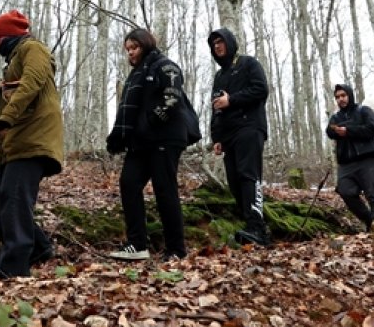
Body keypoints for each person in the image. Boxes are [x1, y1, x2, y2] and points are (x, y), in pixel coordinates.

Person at [0, 10, 65, 279]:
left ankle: (15, 265)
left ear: (5, 36)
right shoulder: (15, 57)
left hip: (34, 138)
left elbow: (31, 84)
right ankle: (39, 247)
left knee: (14, 197)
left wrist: (7, 117)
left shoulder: (33, 49)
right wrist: (1, 142)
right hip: (16, 141)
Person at [105, 28, 199, 261]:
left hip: (166, 137)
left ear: (146, 45)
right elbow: (130, 109)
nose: (131, 54)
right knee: (129, 183)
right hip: (141, 140)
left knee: (164, 189)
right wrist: (120, 136)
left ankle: (176, 249)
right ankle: (137, 244)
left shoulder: (164, 66)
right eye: (127, 50)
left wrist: (150, 121)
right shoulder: (136, 75)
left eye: (134, 48)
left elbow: (172, 98)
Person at [207, 28, 271, 246]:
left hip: (250, 127)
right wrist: (216, 137)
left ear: (230, 42)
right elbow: (216, 107)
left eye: (220, 41)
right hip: (229, 134)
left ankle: (258, 228)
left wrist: (232, 100)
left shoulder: (248, 64)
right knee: (234, 180)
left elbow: (261, 90)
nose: (217, 46)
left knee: (248, 176)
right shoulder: (219, 76)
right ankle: (249, 223)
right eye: (213, 43)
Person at [326, 84, 374, 231]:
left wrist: (348, 130)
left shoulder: (364, 110)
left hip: (367, 159)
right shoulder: (335, 117)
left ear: (350, 95)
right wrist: (336, 130)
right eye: (337, 97)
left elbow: (371, 129)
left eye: (343, 95)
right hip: (346, 162)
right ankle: (369, 221)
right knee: (345, 190)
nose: (341, 99)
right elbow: (329, 131)